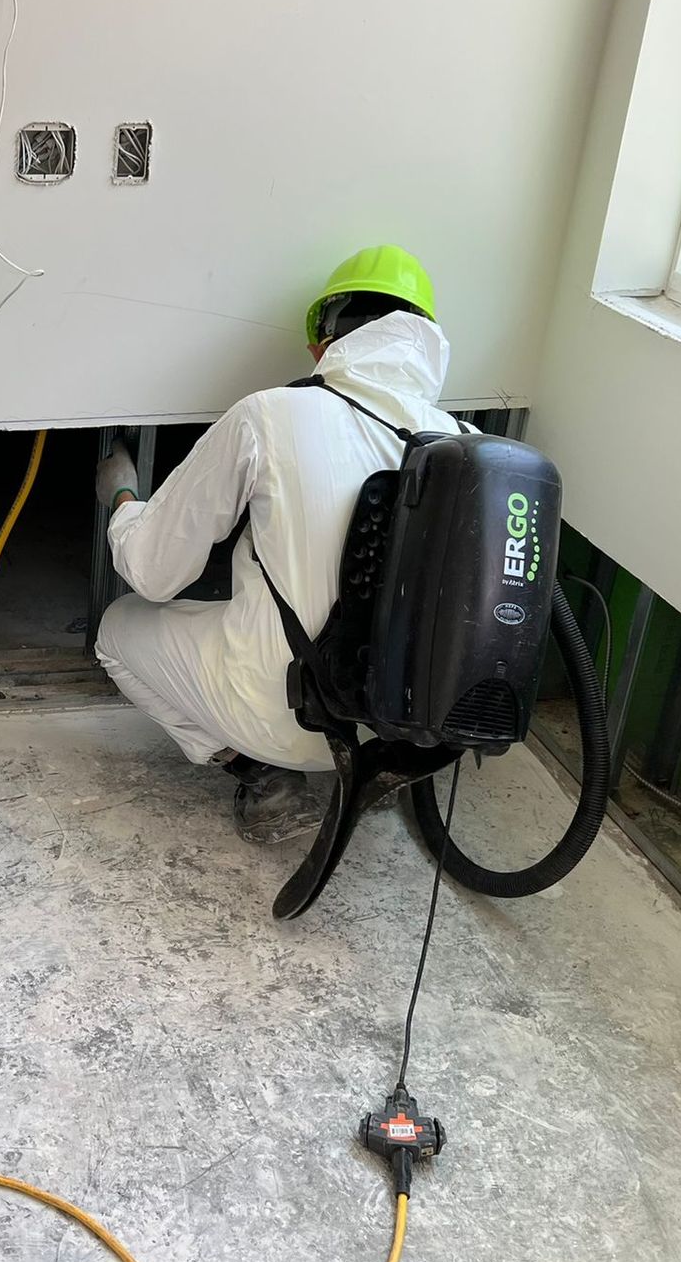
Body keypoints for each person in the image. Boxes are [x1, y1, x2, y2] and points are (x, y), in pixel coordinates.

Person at [92, 245, 463, 843]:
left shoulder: (269, 416)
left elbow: (153, 571)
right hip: (405, 731)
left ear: (325, 336)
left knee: (117, 627)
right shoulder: (466, 449)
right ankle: (371, 777)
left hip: (277, 716)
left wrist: (123, 499)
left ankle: (259, 772)